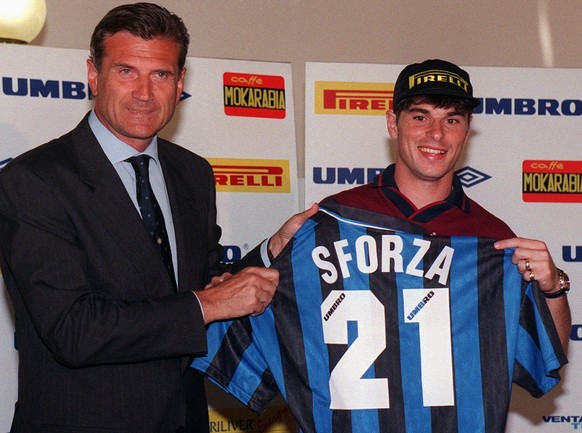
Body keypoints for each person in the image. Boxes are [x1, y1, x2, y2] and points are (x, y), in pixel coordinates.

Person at [191, 59, 571, 432]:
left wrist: (553, 289)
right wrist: (272, 251)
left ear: (467, 131)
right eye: (421, 116)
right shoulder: (330, 222)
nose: (436, 134)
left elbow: (545, 357)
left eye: (451, 119)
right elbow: (226, 322)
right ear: (393, 124)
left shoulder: (492, 240)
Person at [0, 3, 313, 433]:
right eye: (126, 71)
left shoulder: (192, 173)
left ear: (180, 82)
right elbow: (74, 329)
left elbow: (199, 288)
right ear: (94, 75)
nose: (144, 93)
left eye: (160, 75)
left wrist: (271, 250)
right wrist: (208, 304)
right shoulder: (34, 180)